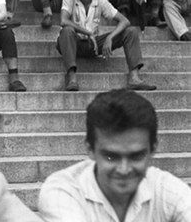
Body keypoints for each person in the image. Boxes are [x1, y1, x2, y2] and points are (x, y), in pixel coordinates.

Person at [38, 89, 191, 221]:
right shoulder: (62, 191)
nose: (124, 169)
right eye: (111, 157)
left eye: (136, 156)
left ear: (153, 150)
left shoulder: (165, 189)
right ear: (90, 149)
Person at [57, 0, 154, 92]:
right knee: (67, 30)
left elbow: (125, 21)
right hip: (71, 43)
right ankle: (71, 78)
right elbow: (63, 21)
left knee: (131, 31)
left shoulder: (100, 1)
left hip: (92, 44)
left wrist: (110, 38)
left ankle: (134, 78)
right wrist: (88, 33)